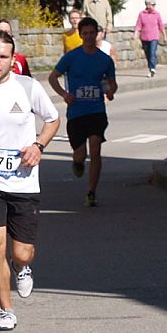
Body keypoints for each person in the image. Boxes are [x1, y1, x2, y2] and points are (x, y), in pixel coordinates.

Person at [0, 30, 59, 329]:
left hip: (23, 181)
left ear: (13, 59)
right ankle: (6, 311)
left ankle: (22, 266)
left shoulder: (28, 87)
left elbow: (53, 119)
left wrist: (38, 145)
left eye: (3, 57)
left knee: (22, 251)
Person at [49, 16, 118, 207]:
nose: (88, 36)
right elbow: (53, 77)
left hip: (96, 110)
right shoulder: (71, 57)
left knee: (95, 148)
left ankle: (91, 191)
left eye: (91, 33)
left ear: (97, 34)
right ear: (80, 35)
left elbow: (112, 83)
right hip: (76, 113)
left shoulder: (105, 59)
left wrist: (110, 91)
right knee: (80, 154)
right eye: (85, 33)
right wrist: (64, 94)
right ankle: (78, 162)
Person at [135, 0, 165, 76]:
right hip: (144, 37)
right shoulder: (142, 14)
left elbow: (161, 25)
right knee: (147, 54)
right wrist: (136, 34)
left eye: (154, 5)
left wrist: (164, 35)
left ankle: (152, 68)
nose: (153, 6)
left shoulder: (157, 14)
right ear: (147, 5)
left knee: (152, 53)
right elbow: (138, 25)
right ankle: (150, 68)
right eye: (152, 5)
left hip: (154, 37)